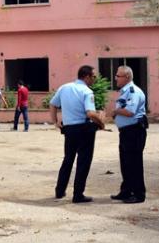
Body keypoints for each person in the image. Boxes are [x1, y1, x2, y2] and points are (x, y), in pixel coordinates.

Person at [49, 65, 105, 203]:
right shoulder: (87, 92)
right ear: (86, 76)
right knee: (83, 162)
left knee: (68, 160)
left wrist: (55, 121)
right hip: (84, 130)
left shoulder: (64, 88)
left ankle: (60, 190)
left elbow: (52, 104)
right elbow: (90, 113)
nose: (94, 79)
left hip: (69, 130)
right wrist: (101, 123)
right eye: (93, 76)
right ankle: (78, 194)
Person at [110, 65, 148, 204]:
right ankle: (126, 191)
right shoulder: (124, 91)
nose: (115, 78)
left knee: (134, 163)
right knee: (126, 163)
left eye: (118, 76)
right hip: (126, 132)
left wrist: (115, 112)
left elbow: (130, 111)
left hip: (134, 131)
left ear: (126, 77)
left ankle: (138, 194)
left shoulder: (133, 91)